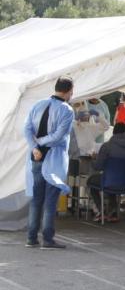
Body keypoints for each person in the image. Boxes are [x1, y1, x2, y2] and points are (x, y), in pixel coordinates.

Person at [23, 76, 75, 249]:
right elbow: (58, 136)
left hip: (37, 156)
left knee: (37, 198)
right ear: (69, 91)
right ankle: (47, 238)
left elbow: (27, 128)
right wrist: (40, 144)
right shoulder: (66, 110)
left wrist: (34, 147)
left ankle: (31, 238)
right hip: (53, 158)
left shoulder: (38, 104)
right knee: (50, 200)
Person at [87, 122, 125, 222]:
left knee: (91, 181)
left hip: (108, 181)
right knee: (112, 180)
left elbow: (98, 167)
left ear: (113, 133)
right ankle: (113, 211)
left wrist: (93, 159)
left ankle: (102, 212)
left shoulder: (106, 146)